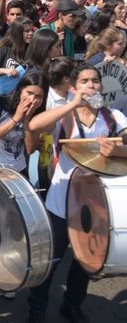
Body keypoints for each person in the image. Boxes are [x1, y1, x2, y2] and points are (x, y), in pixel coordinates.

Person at [26, 64, 127, 322]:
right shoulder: (64, 115)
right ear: (74, 87)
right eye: (85, 81)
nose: (91, 85)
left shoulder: (113, 117)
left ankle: (72, 304)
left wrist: (117, 151)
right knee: (51, 260)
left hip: (94, 204)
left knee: (86, 260)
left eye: (95, 81)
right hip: (61, 201)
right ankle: (37, 308)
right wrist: (73, 104)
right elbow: (35, 125)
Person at [0, 72, 48, 175]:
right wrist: (16, 118)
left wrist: (26, 120)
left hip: (19, 171)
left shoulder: (36, 112)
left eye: (38, 96)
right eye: (29, 93)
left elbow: (30, 149)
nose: (32, 100)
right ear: (20, 90)